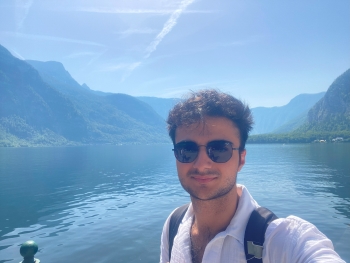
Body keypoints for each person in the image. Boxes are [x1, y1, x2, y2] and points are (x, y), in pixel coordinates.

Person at [159, 89, 344, 263]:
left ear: (241, 159)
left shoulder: (281, 241)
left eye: (219, 149)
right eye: (187, 150)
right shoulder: (173, 225)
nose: (201, 164)